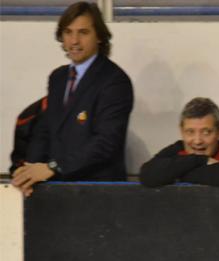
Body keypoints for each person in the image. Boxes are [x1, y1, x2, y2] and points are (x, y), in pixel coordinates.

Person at [12, 1, 133, 197]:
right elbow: (45, 131)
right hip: (57, 189)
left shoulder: (115, 81)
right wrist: (30, 171)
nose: (74, 41)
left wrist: (53, 167)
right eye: (68, 32)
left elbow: (105, 143)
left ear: (99, 36)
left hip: (98, 192)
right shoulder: (58, 77)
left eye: (83, 32)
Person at [139, 98, 219, 187]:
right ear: (181, 131)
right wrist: (200, 160)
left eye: (206, 132)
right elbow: (147, 175)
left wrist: (176, 175)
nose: (197, 141)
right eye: (190, 132)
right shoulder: (178, 149)